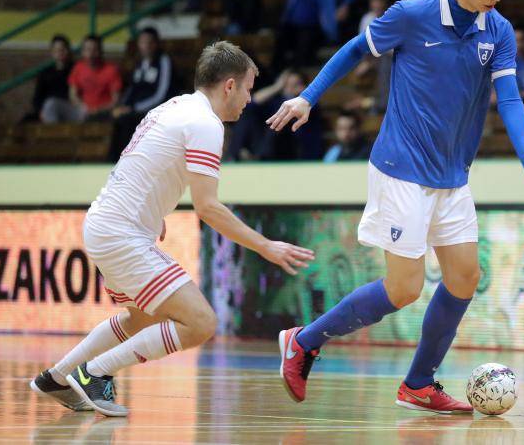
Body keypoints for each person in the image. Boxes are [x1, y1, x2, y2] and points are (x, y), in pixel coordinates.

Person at [266, 0, 524, 414]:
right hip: (401, 169)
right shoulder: (412, 13)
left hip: (452, 176)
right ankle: (303, 340)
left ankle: (419, 384)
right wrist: (307, 97)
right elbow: (355, 49)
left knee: (464, 278)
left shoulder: (498, 29)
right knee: (404, 289)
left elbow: (509, 98)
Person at [29, 41, 314, 417]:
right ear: (228, 85)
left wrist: (153, 211)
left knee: (140, 317)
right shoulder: (206, 124)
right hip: (120, 233)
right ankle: (95, 372)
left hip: (106, 223)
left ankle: (58, 376)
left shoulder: (176, 105)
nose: (249, 98)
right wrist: (266, 246)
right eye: (246, 87)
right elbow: (208, 207)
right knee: (200, 322)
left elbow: (143, 160)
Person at [108, 28, 176, 161]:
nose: (146, 46)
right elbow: (132, 89)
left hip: (156, 110)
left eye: (150, 42)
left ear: (156, 44)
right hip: (135, 109)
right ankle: (113, 162)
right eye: (143, 42)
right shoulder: (139, 64)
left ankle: (126, 161)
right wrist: (122, 106)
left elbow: (161, 94)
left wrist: (133, 108)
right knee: (116, 119)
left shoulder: (164, 61)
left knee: (126, 121)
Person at [67, 35, 123, 121]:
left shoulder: (111, 70)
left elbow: (116, 100)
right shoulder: (78, 68)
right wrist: (83, 107)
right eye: (87, 49)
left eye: (95, 50)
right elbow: (73, 95)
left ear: (100, 51)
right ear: (82, 51)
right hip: (81, 111)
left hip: (104, 113)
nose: (91, 53)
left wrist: (98, 110)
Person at [34, 35, 76, 123]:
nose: (60, 52)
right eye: (56, 50)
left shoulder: (76, 70)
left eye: (62, 49)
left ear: (68, 50)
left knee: (52, 103)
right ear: (52, 52)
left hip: (70, 109)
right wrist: (40, 111)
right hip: (49, 111)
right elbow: (37, 98)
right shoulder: (45, 73)